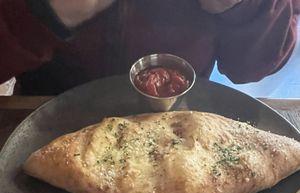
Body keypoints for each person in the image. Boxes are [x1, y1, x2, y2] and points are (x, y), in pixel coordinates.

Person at [0, 0, 299, 95]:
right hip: (43, 121)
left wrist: (243, 6)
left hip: (180, 128)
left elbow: (254, 67)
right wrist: (43, 13)